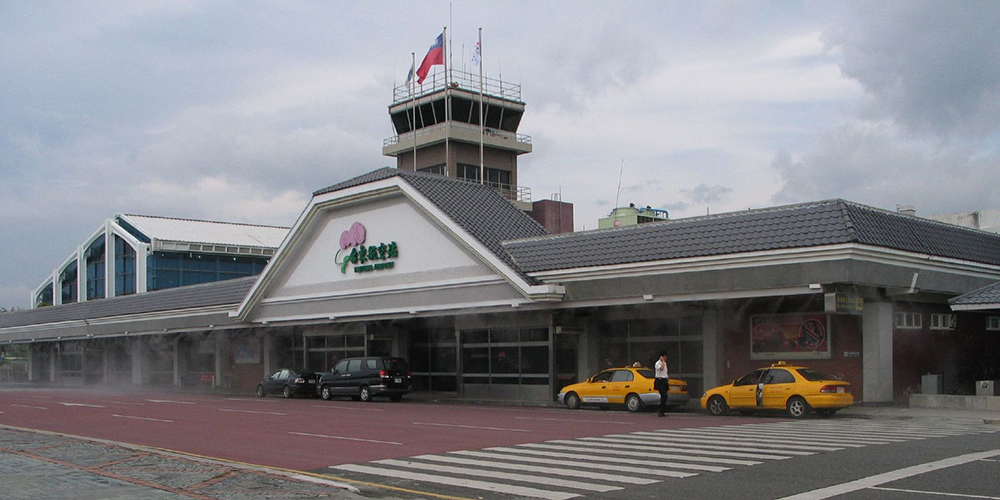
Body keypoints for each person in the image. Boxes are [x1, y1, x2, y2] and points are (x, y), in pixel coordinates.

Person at [654, 351, 670, 417]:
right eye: (664, 357)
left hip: (664, 380)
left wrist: (667, 378)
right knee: (664, 395)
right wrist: (663, 361)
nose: (665, 358)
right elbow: (661, 368)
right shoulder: (657, 363)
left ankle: (662, 411)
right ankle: (660, 410)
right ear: (661, 356)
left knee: (665, 396)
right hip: (659, 380)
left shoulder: (665, 363)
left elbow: (665, 372)